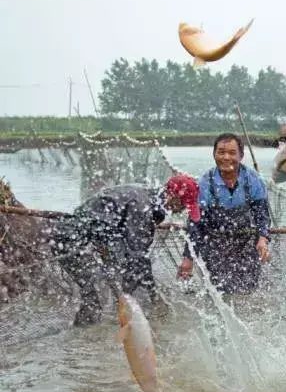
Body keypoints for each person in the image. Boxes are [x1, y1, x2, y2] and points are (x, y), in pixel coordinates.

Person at [50, 176, 197, 326]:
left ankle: (101, 329)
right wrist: (155, 295)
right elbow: (138, 255)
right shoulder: (142, 206)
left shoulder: (149, 197)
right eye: (184, 204)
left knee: (119, 281)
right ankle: (81, 337)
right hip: (68, 240)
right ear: (172, 196)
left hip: (89, 237)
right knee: (99, 291)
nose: (184, 209)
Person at [177, 133, 272, 294]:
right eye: (221, 152)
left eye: (232, 153)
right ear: (214, 154)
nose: (226, 157)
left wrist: (263, 238)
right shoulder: (206, 183)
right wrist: (188, 257)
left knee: (248, 289)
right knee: (219, 290)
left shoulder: (253, 179)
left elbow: (262, 214)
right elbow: (196, 223)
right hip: (215, 242)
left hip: (246, 241)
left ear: (241, 156)